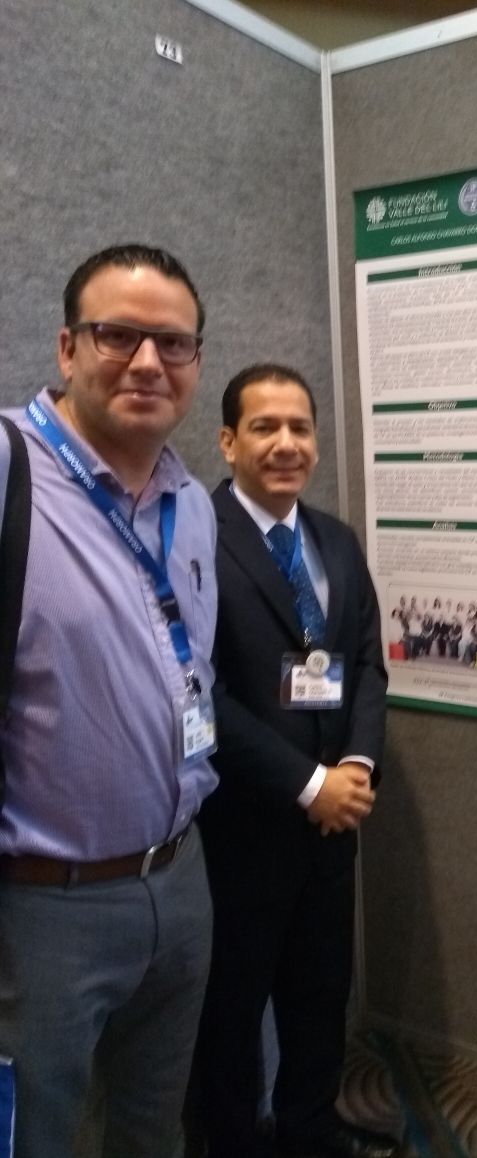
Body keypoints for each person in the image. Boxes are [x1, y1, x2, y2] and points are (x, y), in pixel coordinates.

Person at [0, 244, 217, 1158]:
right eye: (117, 335)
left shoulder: (189, 499)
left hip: (181, 876)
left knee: (150, 1129)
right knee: (35, 1138)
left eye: (173, 343)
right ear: (66, 347)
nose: (147, 363)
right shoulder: (9, 471)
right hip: (43, 907)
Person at [196, 364, 395, 1158]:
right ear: (227, 441)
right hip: (242, 827)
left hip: (332, 824)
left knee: (320, 994)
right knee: (230, 1011)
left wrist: (356, 766)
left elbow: (367, 663)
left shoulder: (335, 540)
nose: (286, 443)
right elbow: (195, 690)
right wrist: (307, 783)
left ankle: (310, 1130)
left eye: (300, 428)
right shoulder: (195, 537)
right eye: (264, 427)